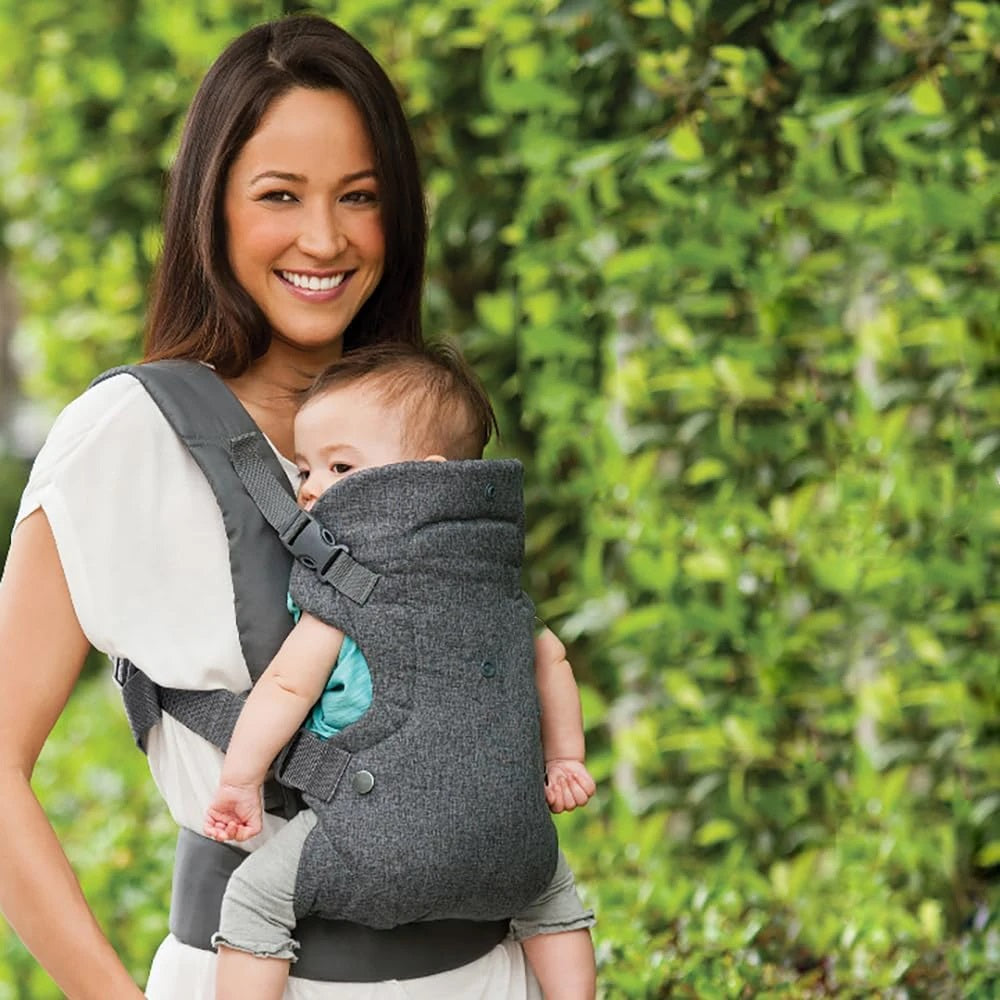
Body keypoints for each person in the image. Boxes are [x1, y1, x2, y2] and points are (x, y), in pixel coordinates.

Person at [0, 15, 591, 1000]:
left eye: (359, 198)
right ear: (212, 209)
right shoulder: (127, 436)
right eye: (281, 195)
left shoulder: (422, 428)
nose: (326, 238)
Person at [202, 342, 597, 1000]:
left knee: (251, 900)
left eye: (338, 465)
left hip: (375, 841)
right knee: (551, 902)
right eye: (304, 468)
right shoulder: (493, 583)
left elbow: (287, 686)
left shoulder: (348, 587)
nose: (309, 488)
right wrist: (565, 759)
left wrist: (240, 782)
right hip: (513, 838)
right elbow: (550, 656)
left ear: (423, 477)